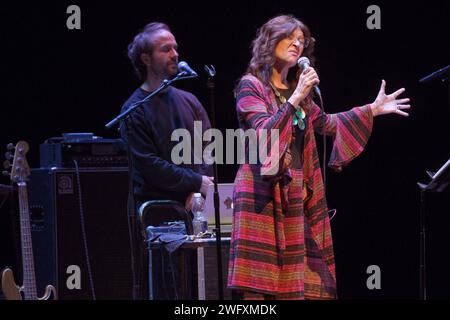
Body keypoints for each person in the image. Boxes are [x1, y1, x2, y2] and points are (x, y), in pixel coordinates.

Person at [227, 15, 410, 300]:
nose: (297, 44)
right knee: (261, 284)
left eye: (302, 40)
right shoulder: (251, 86)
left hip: (296, 190)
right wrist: (295, 97)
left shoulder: (302, 94)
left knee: (298, 279)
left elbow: (327, 124)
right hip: (261, 194)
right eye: (290, 37)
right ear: (269, 41)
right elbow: (265, 132)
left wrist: (372, 110)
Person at [119, 22, 213, 299]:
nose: (175, 54)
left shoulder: (190, 101)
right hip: (158, 210)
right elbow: (149, 164)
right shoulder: (134, 110)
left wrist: (197, 191)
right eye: (165, 49)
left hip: (195, 208)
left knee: (201, 287)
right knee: (166, 287)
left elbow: (209, 148)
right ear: (146, 59)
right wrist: (195, 182)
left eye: (175, 48)